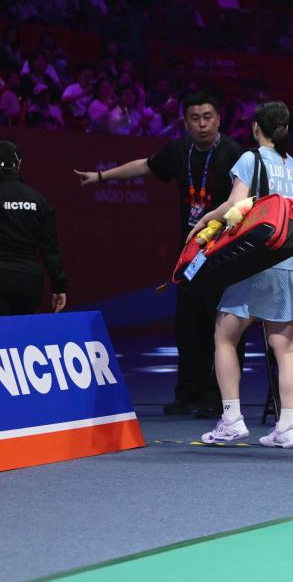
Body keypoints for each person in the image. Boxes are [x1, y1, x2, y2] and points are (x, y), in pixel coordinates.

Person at [74, 92, 244, 417]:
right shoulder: (179, 150)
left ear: (219, 119)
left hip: (226, 255)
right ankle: (188, 393)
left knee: (223, 328)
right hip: (190, 257)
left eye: (208, 117)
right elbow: (145, 165)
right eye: (195, 118)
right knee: (188, 326)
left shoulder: (236, 155)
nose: (202, 124)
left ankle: (218, 397)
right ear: (186, 122)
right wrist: (101, 176)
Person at [192, 101, 293, 448]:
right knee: (285, 348)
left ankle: (231, 420)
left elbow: (234, 205)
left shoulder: (251, 158)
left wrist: (203, 222)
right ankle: (287, 428)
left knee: (224, 337)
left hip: (256, 263)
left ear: (256, 127)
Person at [0, 141, 68, 315]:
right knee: (21, 332)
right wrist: (59, 286)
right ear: (19, 165)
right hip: (29, 282)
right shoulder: (39, 200)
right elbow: (50, 249)